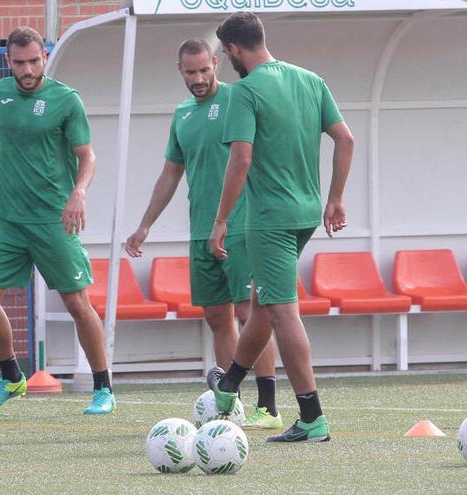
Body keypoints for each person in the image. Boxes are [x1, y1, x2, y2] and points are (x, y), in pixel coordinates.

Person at [0, 26, 115, 415]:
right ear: (9, 62)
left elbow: (88, 156)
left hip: (53, 219)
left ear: (44, 57)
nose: (27, 69)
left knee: (77, 303)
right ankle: (12, 377)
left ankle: (103, 388)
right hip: (9, 218)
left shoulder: (66, 100)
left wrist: (78, 193)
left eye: (34, 61)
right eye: (19, 63)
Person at [206, 12, 354, 442]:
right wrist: (336, 197)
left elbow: (241, 159)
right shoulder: (310, 79)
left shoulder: (244, 91)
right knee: (265, 302)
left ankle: (312, 418)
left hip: (269, 219)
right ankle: (230, 384)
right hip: (307, 213)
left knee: (282, 311)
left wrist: (220, 221)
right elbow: (346, 139)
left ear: (233, 49)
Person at [124, 38, 281, 430]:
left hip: (240, 226)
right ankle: (231, 403)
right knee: (216, 316)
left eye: (204, 70)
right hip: (200, 230)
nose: (198, 78)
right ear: (179, 70)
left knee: (250, 312)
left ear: (216, 63)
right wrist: (145, 224)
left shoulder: (238, 99)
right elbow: (171, 173)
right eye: (190, 72)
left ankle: (269, 407)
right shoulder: (181, 115)